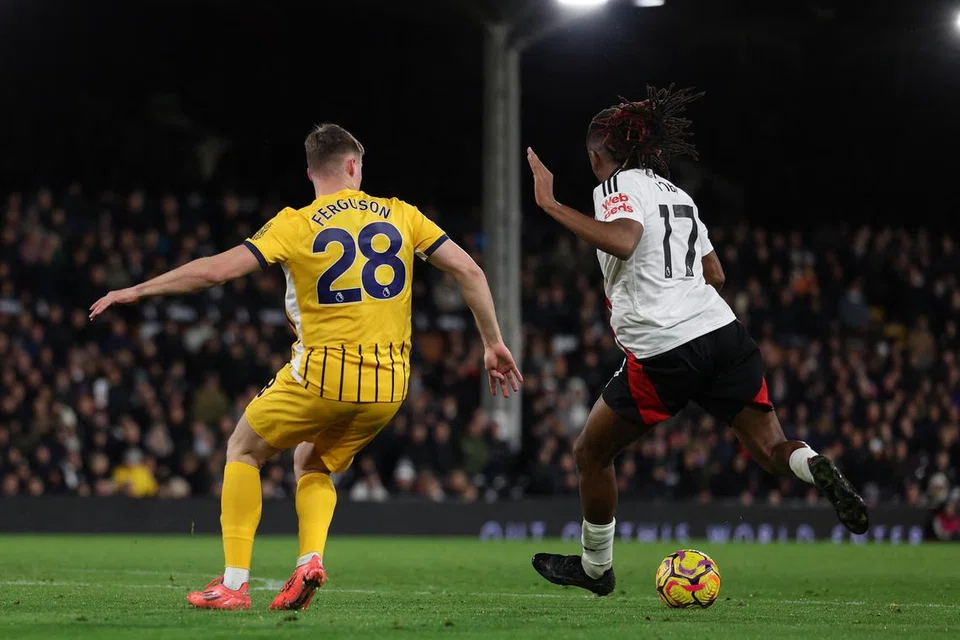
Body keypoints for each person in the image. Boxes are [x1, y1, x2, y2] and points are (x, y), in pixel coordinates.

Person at [89, 123, 522, 610]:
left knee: (242, 450)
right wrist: (493, 343)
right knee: (311, 461)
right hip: (391, 384)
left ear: (311, 172)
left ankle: (233, 584)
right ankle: (308, 561)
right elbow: (470, 270)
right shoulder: (403, 215)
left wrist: (136, 289)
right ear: (354, 165)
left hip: (324, 373)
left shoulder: (296, 223)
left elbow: (213, 271)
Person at [525, 85, 867, 596]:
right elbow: (716, 273)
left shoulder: (614, 187)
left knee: (590, 453)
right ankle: (812, 463)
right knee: (772, 448)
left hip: (666, 347)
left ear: (598, 154)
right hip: (723, 333)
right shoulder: (678, 195)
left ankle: (596, 569)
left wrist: (550, 204)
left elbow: (623, 239)